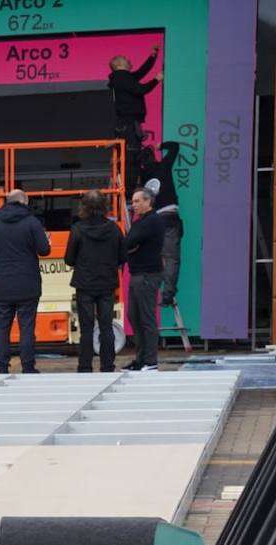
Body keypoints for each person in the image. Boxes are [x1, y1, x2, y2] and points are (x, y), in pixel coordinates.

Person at [0, 189, 51, 374]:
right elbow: (44, 250)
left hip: (2, 284)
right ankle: (28, 366)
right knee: (27, 326)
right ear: (24, 202)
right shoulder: (31, 222)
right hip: (28, 284)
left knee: (2, 327)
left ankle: (2, 366)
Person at [64, 191, 127, 373]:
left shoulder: (77, 229)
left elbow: (69, 259)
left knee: (86, 328)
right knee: (106, 326)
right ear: (104, 206)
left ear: (83, 207)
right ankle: (107, 365)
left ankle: (84, 366)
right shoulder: (114, 228)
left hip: (84, 283)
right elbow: (123, 256)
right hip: (107, 282)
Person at [109, 46, 163, 191]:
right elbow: (141, 90)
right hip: (128, 125)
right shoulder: (121, 78)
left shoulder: (123, 78)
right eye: (126, 59)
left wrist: (152, 56)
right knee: (132, 157)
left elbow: (141, 72)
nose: (129, 60)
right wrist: (156, 80)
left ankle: (130, 187)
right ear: (119, 64)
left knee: (132, 156)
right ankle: (130, 189)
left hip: (128, 124)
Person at [124, 186, 165, 371]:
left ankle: (150, 361)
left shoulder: (151, 221)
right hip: (137, 273)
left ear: (148, 201)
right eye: (133, 202)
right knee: (134, 316)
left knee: (146, 318)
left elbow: (129, 241)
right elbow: (130, 243)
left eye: (137, 201)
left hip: (147, 275)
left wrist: (131, 243)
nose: (134, 205)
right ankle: (140, 359)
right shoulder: (141, 221)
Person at [140, 142, 184, 311]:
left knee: (155, 259)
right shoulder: (164, 166)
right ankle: (168, 294)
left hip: (153, 221)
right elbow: (175, 147)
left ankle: (151, 292)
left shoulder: (143, 176)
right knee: (171, 258)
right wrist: (161, 145)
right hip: (169, 218)